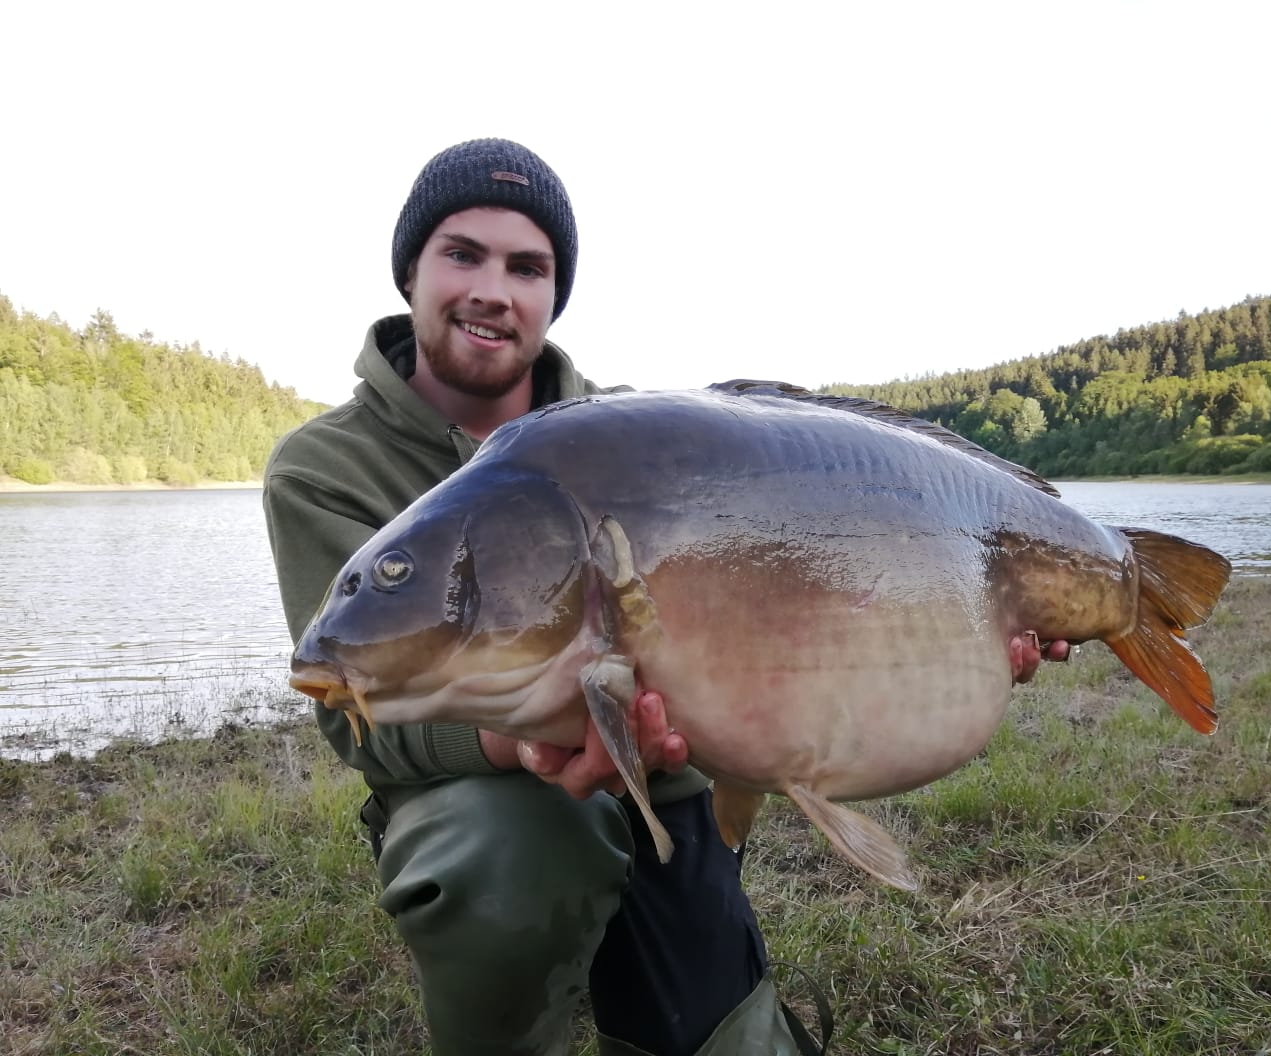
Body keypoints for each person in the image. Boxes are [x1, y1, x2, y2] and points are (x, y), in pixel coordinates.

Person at [263, 138, 1065, 1056]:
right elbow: (349, 711)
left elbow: (815, 576)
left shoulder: (629, 434)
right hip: (483, 807)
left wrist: (965, 623)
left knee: (720, 1039)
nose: (494, 288)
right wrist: (522, 736)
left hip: (671, 777)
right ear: (411, 271)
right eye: (463, 253)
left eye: (528, 266)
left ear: (553, 295)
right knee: (506, 854)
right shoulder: (325, 467)